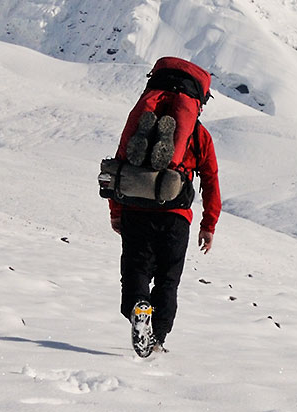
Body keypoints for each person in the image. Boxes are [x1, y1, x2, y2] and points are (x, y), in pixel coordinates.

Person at [110, 57, 221, 353]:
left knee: (136, 270)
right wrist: (208, 226)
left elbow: (119, 165)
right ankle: (157, 339)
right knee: (168, 280)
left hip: (135, 207)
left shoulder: (137, 124)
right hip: (175, 216)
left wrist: (116, 212)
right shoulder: (198, 135)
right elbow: (211, 180)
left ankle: (138, 306)